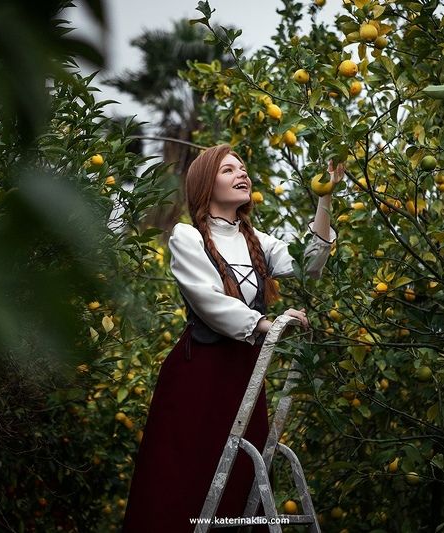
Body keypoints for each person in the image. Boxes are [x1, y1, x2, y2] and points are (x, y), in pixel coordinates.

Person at [121, 144, 343, 533]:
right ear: (206, 184)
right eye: (228, 170)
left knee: (240, 475)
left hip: (244, 373)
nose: (242, 174)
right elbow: (208, 301)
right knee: (183, 480)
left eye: (242, 168)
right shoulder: (187, 236)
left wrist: (325, 197)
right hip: (198, 374)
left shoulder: (258, 240)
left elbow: (310, 263)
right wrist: (267, 324)